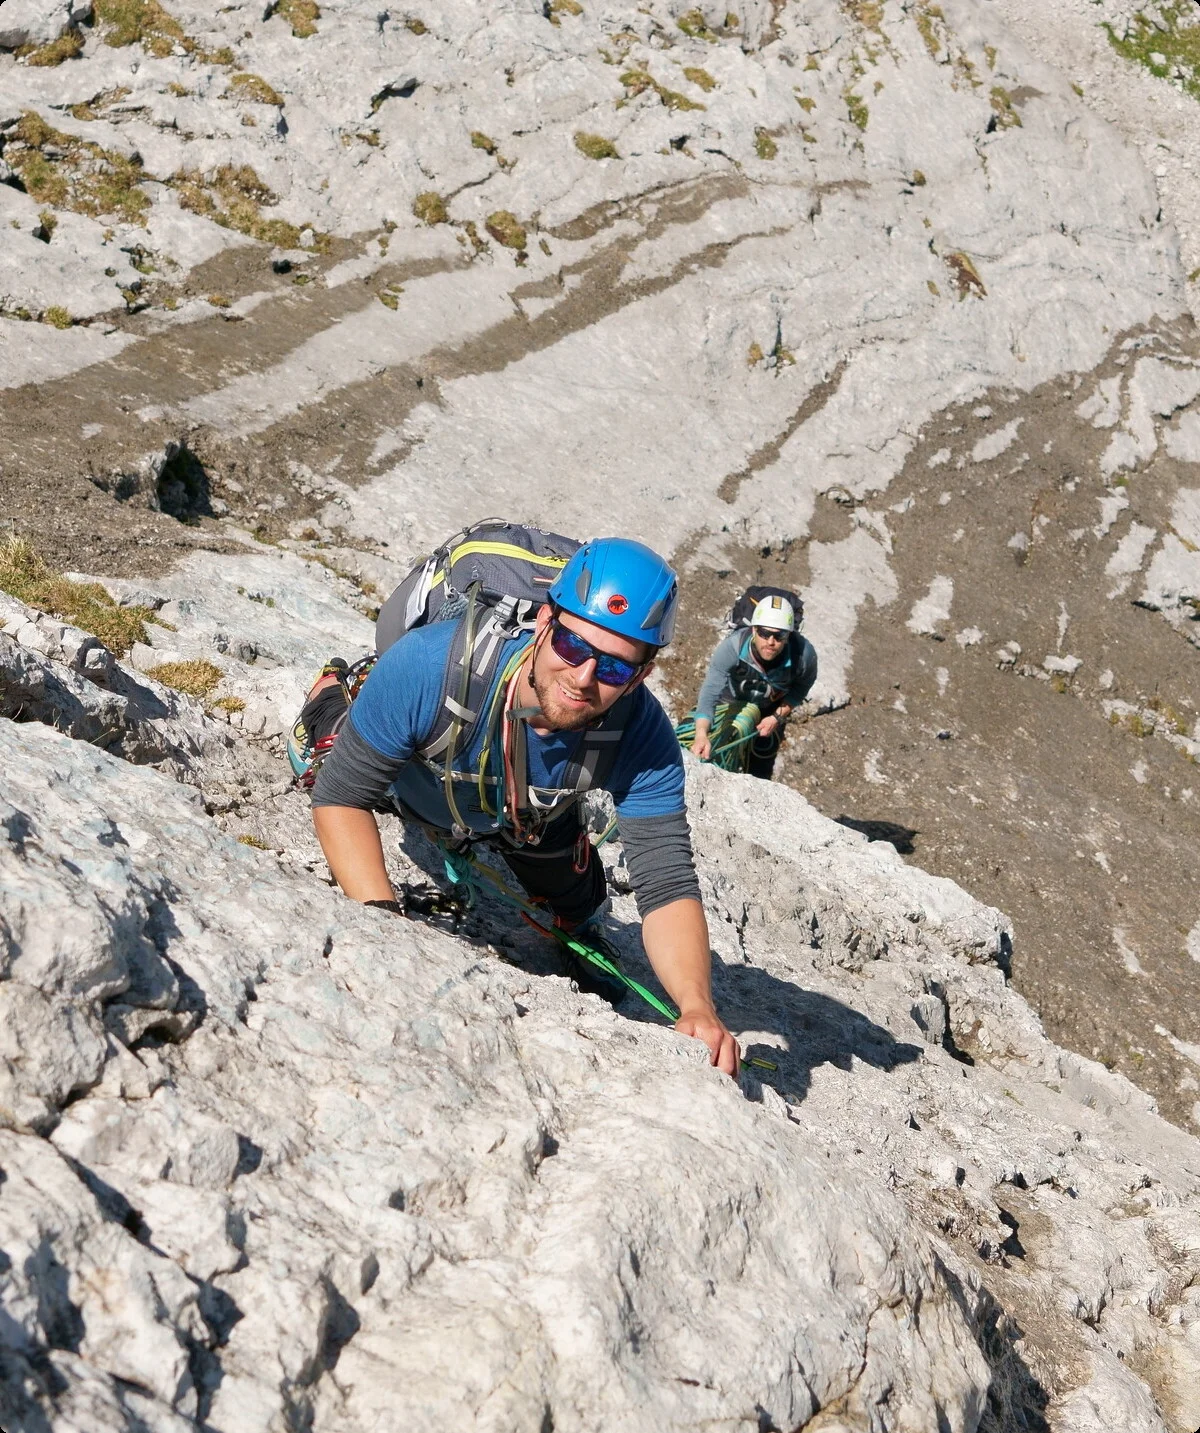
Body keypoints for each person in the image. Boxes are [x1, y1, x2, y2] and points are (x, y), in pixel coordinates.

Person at [308, 536, 740, 1077]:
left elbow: (666, 881)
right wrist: (383, 925)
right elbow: (342, 797)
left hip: (523, 809)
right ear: (543, 624)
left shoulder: (641, 734)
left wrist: (698, 1007)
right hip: (420, 776)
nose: (583, 679)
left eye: (612, 669)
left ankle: (577, 933)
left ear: (640, 676)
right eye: (574, 648)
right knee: (335, 750)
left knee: (578, 897)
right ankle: (335, 690)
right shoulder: (431, 666)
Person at [691, 595, 817, 779]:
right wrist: (701, 734)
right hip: (730, 700)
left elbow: (800, 689)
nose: (771, 642)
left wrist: (776, 717)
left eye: (779, 635)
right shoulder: (733, 647)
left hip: (770, 713)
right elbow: (710, 691)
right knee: (709, 747)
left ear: (789, 635)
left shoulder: (804, 656)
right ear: (754, 629)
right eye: (764, 633)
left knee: (760, 769)